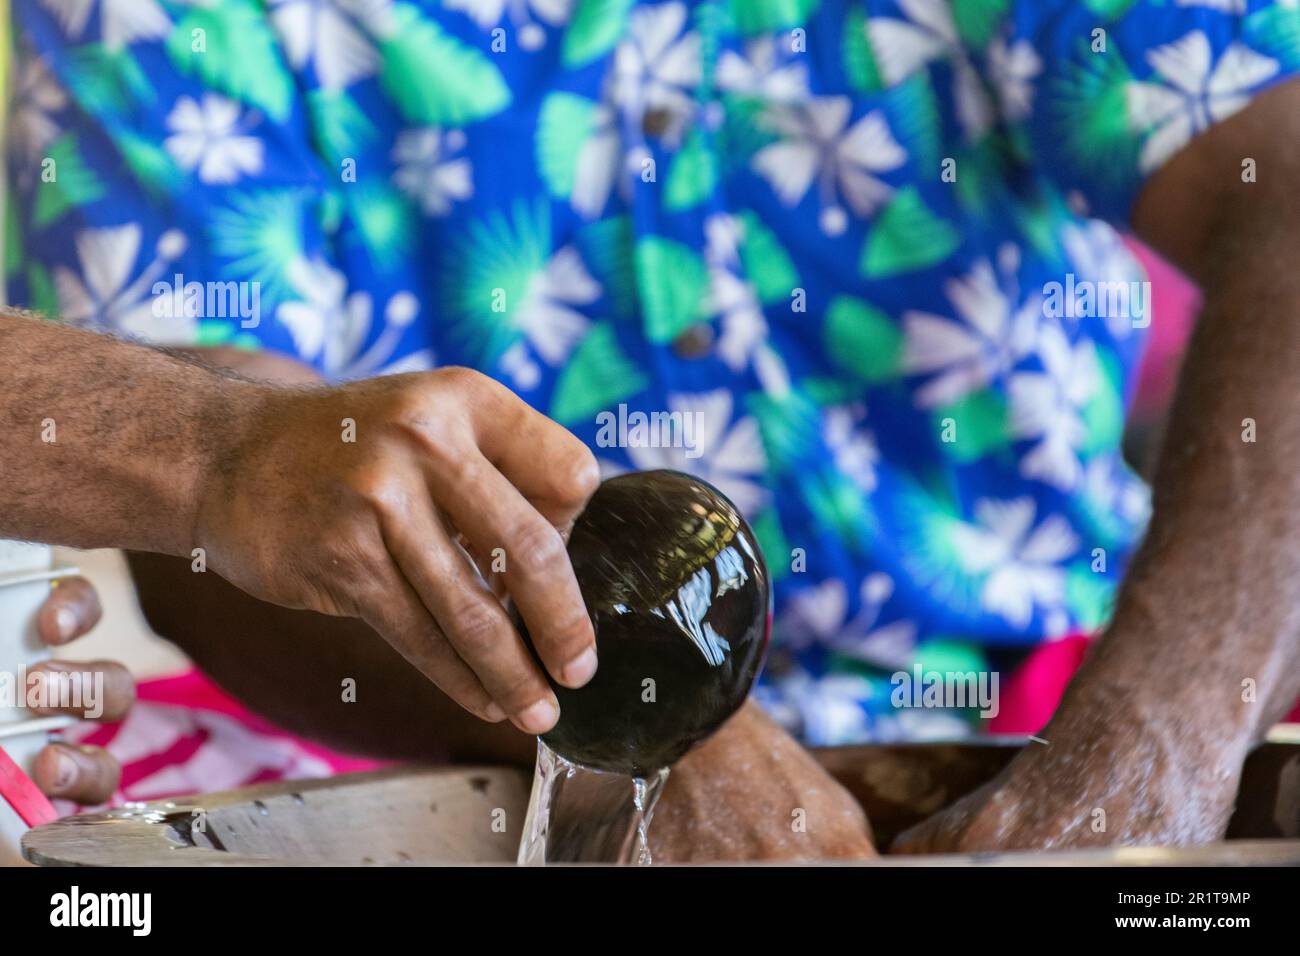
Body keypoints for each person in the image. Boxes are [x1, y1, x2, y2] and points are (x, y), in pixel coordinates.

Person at [4, 0, 1300, 859]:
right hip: (436, 748)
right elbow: (224, 512)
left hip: (1043, 708)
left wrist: (1157, 755)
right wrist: (642, 740)